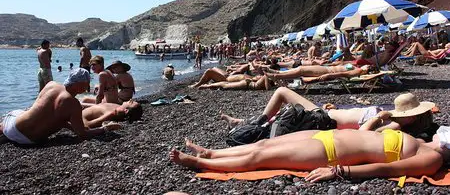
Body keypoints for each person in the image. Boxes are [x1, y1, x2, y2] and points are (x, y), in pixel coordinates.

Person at [170, 127, 450, 182]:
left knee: (261, 159)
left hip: (330, 151)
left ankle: (199, 162)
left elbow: (389, 170)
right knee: (263, 145)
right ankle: (213, 152)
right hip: (325, 135)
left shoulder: (434, 158)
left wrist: (340, 172)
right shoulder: (421, 140)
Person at [221, 89, 436, 137]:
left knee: (282, 92)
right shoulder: (397, 120)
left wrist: (379, 117)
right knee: (283, 102)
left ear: (413, 117)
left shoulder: (394, 125)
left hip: (323, 122)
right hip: (325, 115)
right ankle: (245, 122)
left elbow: (362, 133)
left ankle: (251, 124)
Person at [0, 68, 119, 145]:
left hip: (12, 128)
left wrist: (69, 125)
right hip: (29, 141)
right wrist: (105, 128)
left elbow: (43, 110)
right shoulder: (73, 104)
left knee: (23, 112)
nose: (88, 85)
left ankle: (4, 132)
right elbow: (83, 134)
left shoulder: (51, 85)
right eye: (87, 83)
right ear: (80, 85)